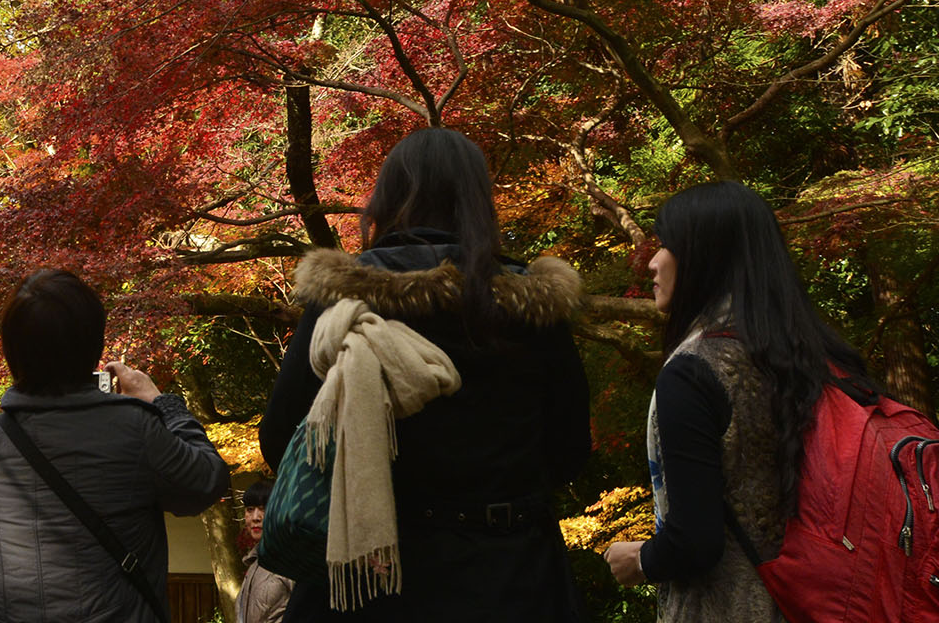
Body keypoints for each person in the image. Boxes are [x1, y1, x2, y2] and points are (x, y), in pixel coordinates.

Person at [259, 128, 590, 622]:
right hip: (509, 574)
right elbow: (569, 454)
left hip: (365, 581)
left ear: (386, 200)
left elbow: (279, 438)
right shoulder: (534, 308)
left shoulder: (343, 302)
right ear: (479, 202)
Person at [601, 182, 875, 621]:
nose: (652, 262)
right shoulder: (820, 360)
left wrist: (639, 560)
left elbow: (696, 540)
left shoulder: (694, 370)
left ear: (704, 256)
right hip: (825, 601)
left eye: (667, 245)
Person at [0, 268, 230, 622]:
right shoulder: (133, 430)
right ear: (94, 346)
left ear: (10, 350)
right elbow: (208, 481)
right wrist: (162, 404)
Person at [235, 480, 290, 623]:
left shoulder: (291, 559)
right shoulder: (255, 562)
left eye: (263, 509)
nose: (255, 518)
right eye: (250, 509)